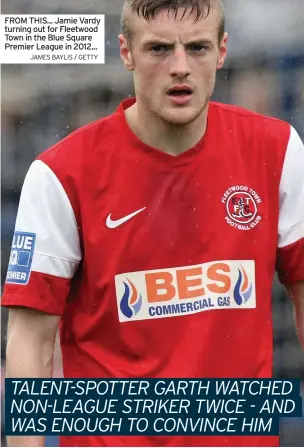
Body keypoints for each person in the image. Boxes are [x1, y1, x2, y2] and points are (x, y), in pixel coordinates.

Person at [2, 0, 304, 446]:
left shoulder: (277, 150)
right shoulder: (60, 174)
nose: (180, 67)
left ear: (222, 51)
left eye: (198, 48)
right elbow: (30, 340)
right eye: (159, 49)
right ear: (126, 53)